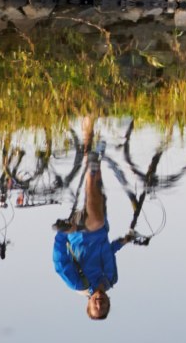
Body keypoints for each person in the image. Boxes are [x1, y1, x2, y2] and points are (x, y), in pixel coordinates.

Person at [53, 118, 139, 319]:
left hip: (79, 231)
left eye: (95, 306)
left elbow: (59, 262)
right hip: (101, 227)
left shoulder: (78, 284)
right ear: (109, 302)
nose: (99, 303)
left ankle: (92, 161)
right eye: (103, 306)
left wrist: (62, 235)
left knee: (96, 211)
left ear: (89, 303)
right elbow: (108, 251)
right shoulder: (111, 279)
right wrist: (124, 241)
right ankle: (88, 121)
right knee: (95, 178)